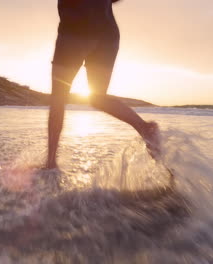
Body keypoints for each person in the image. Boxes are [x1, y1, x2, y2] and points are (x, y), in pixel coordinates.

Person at [47, 0, 160, 169]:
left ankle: (50, 162)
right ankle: (144, 128)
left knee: (58, 98)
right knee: (98, 98)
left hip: (74, 31)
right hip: (106, 34)